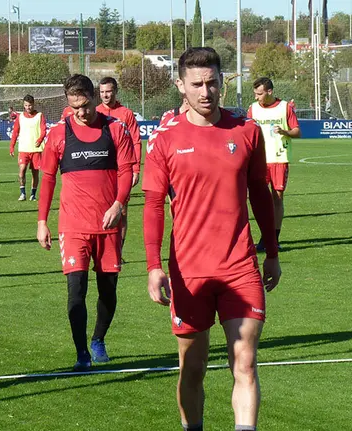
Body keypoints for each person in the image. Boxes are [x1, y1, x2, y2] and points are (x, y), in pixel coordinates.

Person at [142, 48, 282, 431]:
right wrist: (154, 267)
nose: (206, 92)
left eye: (213, 83)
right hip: (189, 272)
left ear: (222, 82)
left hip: (240, 268)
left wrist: (271, 251)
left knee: (245, 361)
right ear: (180, 86)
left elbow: (260, 194)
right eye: (197, 84)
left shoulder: (246, 130)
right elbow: (153, 206)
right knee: (193, 368)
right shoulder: (163, 140)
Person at [37, 74, 135, 370]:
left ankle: (98, 339)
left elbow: (127, 171)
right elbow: (49, 179)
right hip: (73, 226)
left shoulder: (116, 129)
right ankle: (82, 353)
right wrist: (42, 220)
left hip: (108, 226)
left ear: (94, 97)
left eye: (86, 104)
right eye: (75, 107)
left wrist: (119, 204)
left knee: (108, 289)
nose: (82, 112)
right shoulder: (58, 134)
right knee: (76, 289)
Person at [247, 77, 301, 251]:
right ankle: (265, 237)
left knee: (277, 199)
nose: (257, 97)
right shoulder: (253, 109)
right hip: (259, 161)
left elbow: (297, 132)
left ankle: (273, 239)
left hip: (279, 159)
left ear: (269, 91)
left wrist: (285, 131)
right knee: (259, 200)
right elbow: (247, 133)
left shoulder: (285, 107)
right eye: (255, 93)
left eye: (260, 94)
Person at [96, 77, 142, 250]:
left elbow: (136, 141)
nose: (105, 95)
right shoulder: (96, 112)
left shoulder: (126, 114)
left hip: (123, 169)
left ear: (115, 91)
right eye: (102, 92)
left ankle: (117, 250)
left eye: (108, 91)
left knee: (121, 211)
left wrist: (135, 169)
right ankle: (102, 248)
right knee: (100, 208)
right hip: (102, 169)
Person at [9, 95, 46, 201]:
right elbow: (15, 132)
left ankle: (33, 194)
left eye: (29, 105)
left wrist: (39, 139)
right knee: (22, 170)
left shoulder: (39, 116)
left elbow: (43, 130)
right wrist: (12, 146)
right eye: (26, 105)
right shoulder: (20, 117)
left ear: (33, 104)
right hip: (24, 148)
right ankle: (22, 193)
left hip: (36, 149)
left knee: (35, 173)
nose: (28, 107)